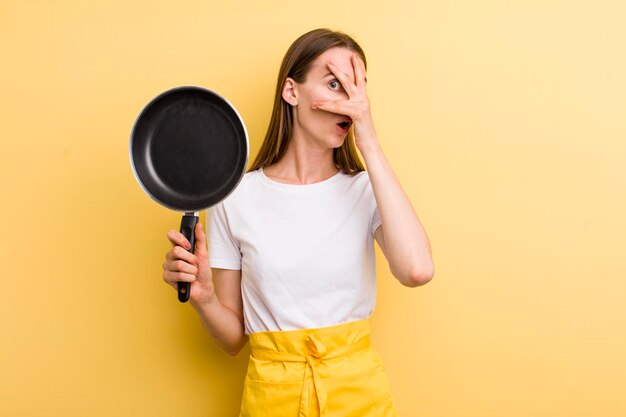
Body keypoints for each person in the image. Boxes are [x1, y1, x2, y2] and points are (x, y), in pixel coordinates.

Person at [162, 28, 434, 417]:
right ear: (292, 92)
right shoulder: (235, 197)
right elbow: (233, 339)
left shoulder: (365, 190)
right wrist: (203, 297)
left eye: (358, 88)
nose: (351, 102)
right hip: (272, 399)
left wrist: (368, 139)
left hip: (359, 398)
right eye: (335, 84)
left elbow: (417, 270)